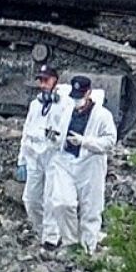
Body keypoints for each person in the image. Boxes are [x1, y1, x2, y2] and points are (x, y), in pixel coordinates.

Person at [43, 74, 118, 250]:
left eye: (80, 97)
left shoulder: (102, 115)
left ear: (89, 93)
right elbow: (55, 130)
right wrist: (52, 137)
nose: (77, 101)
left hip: (90, 164)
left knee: (91, 208)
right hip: (65, 161)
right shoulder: (66, 111)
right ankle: (70, 243)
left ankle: (87, 249)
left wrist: (85, 142)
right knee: (62, 203)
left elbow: (109, 141)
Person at [17, 64, 67, 240]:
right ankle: (40, 231)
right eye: (41, 80)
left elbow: (65, 131)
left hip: (53, 154)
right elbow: (26, 130)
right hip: (34, 155)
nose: (43, 84)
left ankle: (51, 238)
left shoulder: (64, 104)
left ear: (55, 81)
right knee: (30, 199)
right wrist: (21, 159)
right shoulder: (35, 105)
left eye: (46, 80)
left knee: (50, 197)